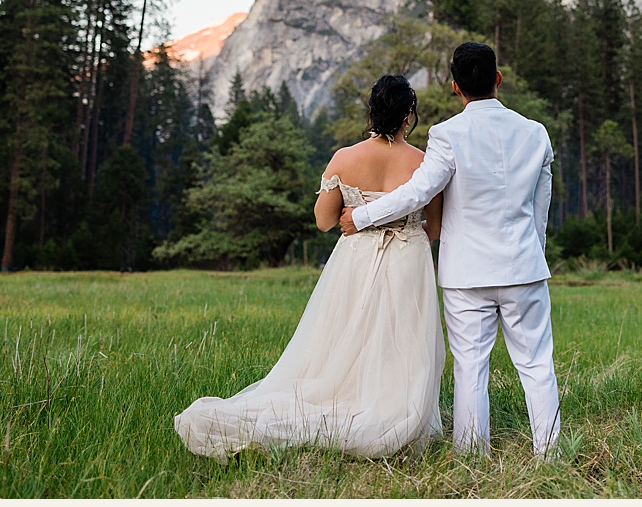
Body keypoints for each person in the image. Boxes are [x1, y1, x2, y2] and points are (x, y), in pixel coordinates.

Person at [175, 75, 445, 460]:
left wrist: (358, 212)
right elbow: (433, 228)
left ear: (372, 112)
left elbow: (322, 220)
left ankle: (343, 396)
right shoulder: (423, 163)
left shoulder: (344, 159)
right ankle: (391, 408)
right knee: (400, 339)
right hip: (407, 260)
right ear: (408, 117)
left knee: (345, 338)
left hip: (355, 259)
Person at [341, 42, 561, 457]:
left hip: (467, 276)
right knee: (537, 367)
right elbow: (540, 211)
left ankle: (472, 458)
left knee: (470, 370)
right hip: (525, 268)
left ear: (456, 87)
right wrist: (534, 254)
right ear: (498, 79)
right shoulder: (536, 133)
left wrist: (363, 217)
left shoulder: (447, 135)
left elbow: (418, 193)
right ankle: (548, 455)